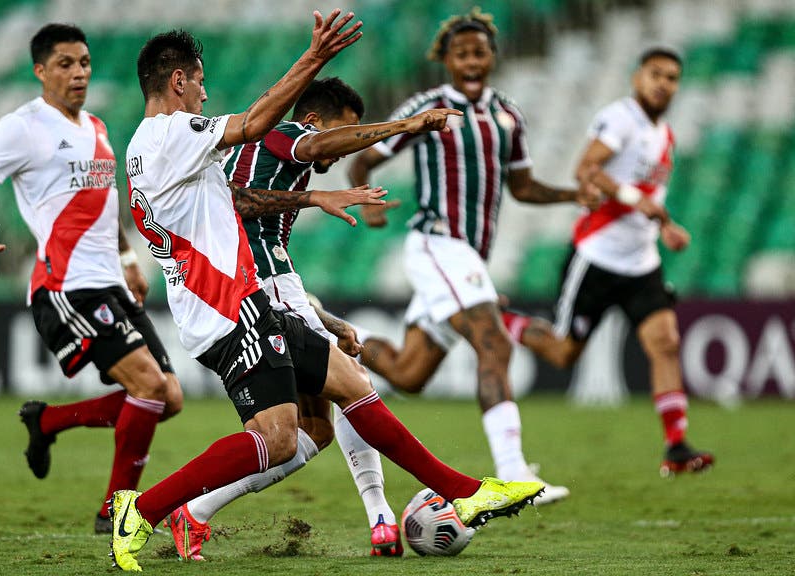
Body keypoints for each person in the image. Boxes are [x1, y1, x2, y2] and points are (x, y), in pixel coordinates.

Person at [108, 11, 544, 573]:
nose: (204, 93)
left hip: (244, 299)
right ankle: (142, 509)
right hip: (225, 308)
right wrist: (317, 58)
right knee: (278, 439)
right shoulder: (171, 133)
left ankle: (465, 490)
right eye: (199, 83)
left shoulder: (147, 146)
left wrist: (313, 201)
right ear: (178, 82)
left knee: (351, 382)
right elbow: (258, 122)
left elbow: (238, 193)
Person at [164, 77, 461, 560]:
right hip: (262, 286)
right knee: (352, 387)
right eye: (347, 131)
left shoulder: (263, 158)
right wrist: (405, 125)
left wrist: (323, 316)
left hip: (260, 285)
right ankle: (381, 517)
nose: (343, 150)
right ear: (315, 120)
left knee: (311, 429)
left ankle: (194, 511)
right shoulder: (284, 134)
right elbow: (320, 145)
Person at [347, 8, 598, 505]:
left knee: (408, 374)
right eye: (460, 53)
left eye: (479, 52)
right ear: (445, 59)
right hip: (437, 241)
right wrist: (365, 200)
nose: (471, 60)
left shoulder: (507, 114)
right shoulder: (428, 105)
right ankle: (514, 476)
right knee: (495, 344)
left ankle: (346, 346)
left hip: (468, 257)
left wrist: (573, 195)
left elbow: (522, 185)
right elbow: (367, 155)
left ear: (492, 57)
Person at [0, 23, 183, 533]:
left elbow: (106, 201)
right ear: (40, 71)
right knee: (148, 383)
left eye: (85, 63)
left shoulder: (94, 126)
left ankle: (47, 421)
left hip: (110, 280)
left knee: (170, 398)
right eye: (66, 64)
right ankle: (115, 513)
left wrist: (129, 260)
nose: (79, 73)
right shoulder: (23, 127)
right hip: (65, 285)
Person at [499, 46, 714, 476]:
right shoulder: (621, 118)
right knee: (563, 355)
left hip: (641, 263)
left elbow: (651, 200)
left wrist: (665, 225)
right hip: (596, 258)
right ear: (637, 77)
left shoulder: (664, 134)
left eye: (672, 77)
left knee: (665, 343)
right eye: (655, 73)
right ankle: (500, 319)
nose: (663, 83)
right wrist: (638, 201)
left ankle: (676, 447)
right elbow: (587, 170)